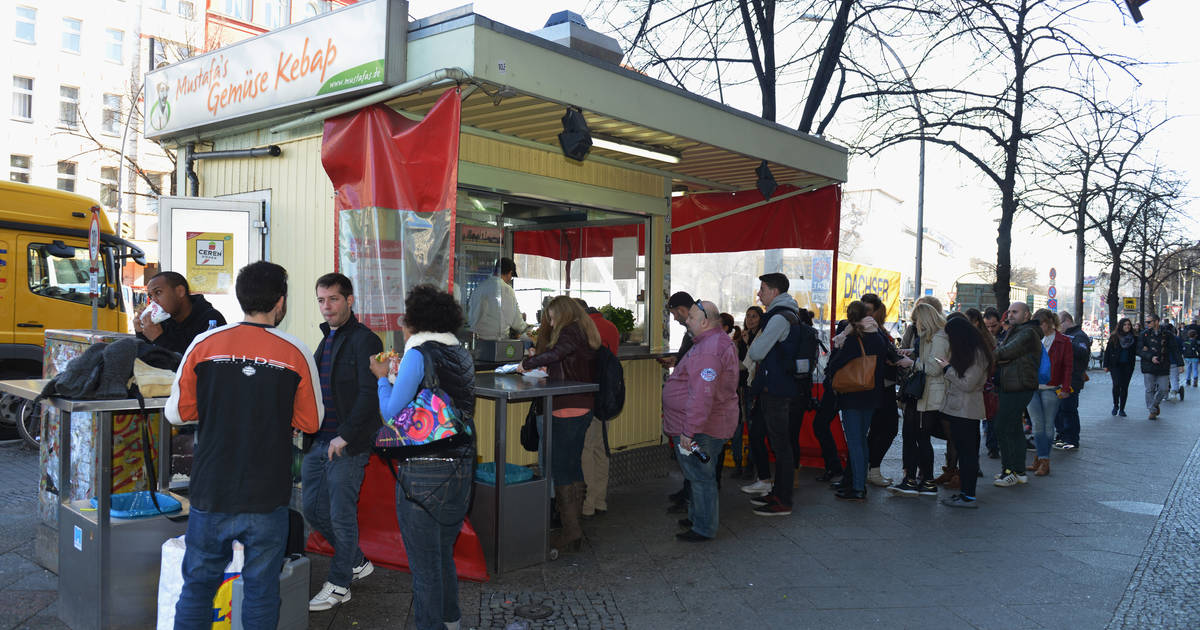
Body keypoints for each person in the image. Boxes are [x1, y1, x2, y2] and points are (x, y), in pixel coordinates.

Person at [166, 261, 321, 629]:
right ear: (280, 302)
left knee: (198, 587)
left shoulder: (204, 344)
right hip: (268, 492)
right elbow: (311, 421)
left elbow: (177, 413)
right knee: (262, 589)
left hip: (211, 488)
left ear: (240, 298)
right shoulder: (295, 352)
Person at [369, 285, 475, 630]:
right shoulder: (461, 353)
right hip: (460, 466)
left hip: (423, 472)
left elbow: (391, 414)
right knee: (442, 552)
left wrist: (383, 379)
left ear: (414, 321)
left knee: (424, 567)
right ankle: (451, 620)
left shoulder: (418, 355)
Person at [302, 273, 384, 611]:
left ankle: (339, 584)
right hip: (320, 441)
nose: (326, 307)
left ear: (350, 301)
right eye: (321, 300)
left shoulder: (368, 341)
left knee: (340, 517)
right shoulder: (327, 339)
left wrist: (345, 436)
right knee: (312, 510)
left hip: (348, 445)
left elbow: (371, 395)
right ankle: (356, 561)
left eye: (333, 299)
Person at [517, 296, 600, 553]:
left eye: (552, 316)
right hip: (582, 404)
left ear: (562, 314)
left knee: (560, 468)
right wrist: (548, 374)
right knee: (572, 465)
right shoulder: (583, 329)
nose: (550, 322)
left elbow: (557, 353)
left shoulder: (569, 330)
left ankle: (570, 530)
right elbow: (565, 363)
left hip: (566, 406)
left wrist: (527, 364)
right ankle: (573, 529)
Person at [661, 300, 739, 541]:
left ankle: (703, 527)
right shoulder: (712, 342)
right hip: (704, 426)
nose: (687, 320)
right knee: (698, 474)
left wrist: (689, 432)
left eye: (692, 317)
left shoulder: (709, 349)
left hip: (701, 431)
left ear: (705, 322)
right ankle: (698, 517)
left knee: (700, 475)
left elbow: (702, 395)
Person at [746, 273, 802, 516]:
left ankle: (783, 500)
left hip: (777, 391)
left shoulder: (779, 318)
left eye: (762, 289)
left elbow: (757, 352)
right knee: (778, 444)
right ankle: (778, 492)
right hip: (779, 388)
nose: (759, 294)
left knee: (781, 447)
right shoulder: (788, 313)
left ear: (774, 291)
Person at [825, 301, 890, 501]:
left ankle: (858, 487)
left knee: (855, 443)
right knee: (862, 440)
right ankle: (858, 484)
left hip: (853, 395)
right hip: (872, 395)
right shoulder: (879, 336)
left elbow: (835, 363)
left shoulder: (853, 337)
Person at [889, 302, 946, 497]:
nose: (914, 325)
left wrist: (911, 362)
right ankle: (912, 479)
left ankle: (927, 481)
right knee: (913, 436)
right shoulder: (929, 337)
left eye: (916, 320)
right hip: (920, 393)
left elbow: (934, 368)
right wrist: (912, 354)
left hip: (928, 395)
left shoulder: (939, 337)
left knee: (921, 438)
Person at [937, 316, 994, 508]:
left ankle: (968, 496)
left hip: (967, 411)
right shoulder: (970, 352)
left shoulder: (978, 354)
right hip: (959, 410)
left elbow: (968, 384)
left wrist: (947, 369)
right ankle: (965, 493)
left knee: (968, 455)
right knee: (964, 453)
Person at [992, 302, 1042, 488]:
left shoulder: (1027, 333)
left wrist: (999, 356)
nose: (1010, 315)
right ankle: (1019, 471)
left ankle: (1009, 471)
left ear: (1027, 315)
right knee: (1013, 428)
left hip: (1018, 386)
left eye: (1015, 312)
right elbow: (1005, 355)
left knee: (1002, 426)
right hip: (1013, 384)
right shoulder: (1018, 331)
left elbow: (1004, 353)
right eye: (1010, 311)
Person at [577, 299, 618, 518]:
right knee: (602, 449)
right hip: (608, 397)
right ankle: (601, 500)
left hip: (589, 396)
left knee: (587, 448)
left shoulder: (584, 328)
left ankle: (588, 503)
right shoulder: (610, 326)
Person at [861, 293, 904, 487]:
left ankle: (870, 469)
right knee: (885, 429)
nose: (866, 314)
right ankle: (872, 469)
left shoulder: (877, 330)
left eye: (870, 310)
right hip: (876, 386)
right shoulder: (869, 330)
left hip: (881, 385)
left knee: (880, 429)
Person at [1025, 309, 1072, 477]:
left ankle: (1044, 460)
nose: (1039, 327)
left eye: (1041, 323)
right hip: (1032, 387)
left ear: (1050, 322)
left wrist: (1066, 387)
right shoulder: (1033, 339)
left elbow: (1068, 366)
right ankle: (1040, 458)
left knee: (1048, 424)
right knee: (1037, 424)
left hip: (1051, 387)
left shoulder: (1063, 341)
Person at [659, 291, 695, 513]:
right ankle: (689, 493)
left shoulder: (697, 333)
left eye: (674, 313)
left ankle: (694, 503)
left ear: (682, 310)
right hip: (685, 407)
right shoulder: (691, 334)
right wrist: (677, 361)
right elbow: (688, 358)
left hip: (690, 409)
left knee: (691, 456)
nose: (674, 318)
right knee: (689, 458)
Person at [135, 271, 227, 354]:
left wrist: (159, 338)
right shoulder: (163, 320)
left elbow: (200, 364)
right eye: (151, 296)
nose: (153, 301)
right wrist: (141, 332)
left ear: (180, 291)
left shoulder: (211, 320)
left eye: (158, 292)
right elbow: (146, 362)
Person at [1054, 312, 1091, 451]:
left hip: (1073, 378)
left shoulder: (1079, 336)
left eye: (1059, 324)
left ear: (1067, 321)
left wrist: (1065, 340)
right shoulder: (1071, 335)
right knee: (1060, 409)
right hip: (1064, 378)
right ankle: (1063, 436)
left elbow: (1082, 352)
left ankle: (1071, 439)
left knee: (1068, 410)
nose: (1058, 328)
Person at [467, 257, 527, 341]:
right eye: (511, 276)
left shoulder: (480, 287)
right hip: (496, 341)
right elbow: (516, 322)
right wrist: (526, 329)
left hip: (476, 340)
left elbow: (471, 315)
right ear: (510, 273)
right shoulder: (506, 290)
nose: (510, 279)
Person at [969, 308, 1000, 459]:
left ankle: (990, 447)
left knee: (983, 420)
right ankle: (992, 446)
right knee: (989, 418)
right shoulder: (987, 338)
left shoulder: (978, 338)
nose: (991, 329)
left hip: (981, 385)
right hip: (986, 384)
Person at [1139, 313, 1181, 420]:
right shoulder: (1144, 335)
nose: (1147, 324)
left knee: (1164, 389)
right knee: (1149, 389)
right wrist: (1150, 357)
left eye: (1149, 322)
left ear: (1156, 322)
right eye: (1146, 322)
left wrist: (1180, 364)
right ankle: (1152, 411)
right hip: (1148, 366)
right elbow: (1139, 350)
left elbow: (1175, 349)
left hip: (1163, 365)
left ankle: (1154, 404)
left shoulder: (1167, 334)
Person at [1103, 318, 1138, 417]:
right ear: (1121, 326)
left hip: (1128, 365)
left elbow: (1138, 350)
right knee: (1116, 385)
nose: (1127, 326)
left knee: (1125, 387)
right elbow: (1108, 351)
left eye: (1129, 325)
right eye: (1125, 325)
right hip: (1115, 365)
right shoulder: (1114, 337)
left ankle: (1122, 409)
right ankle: (1115, 405)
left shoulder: (1134, 338)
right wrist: (1106, 365)